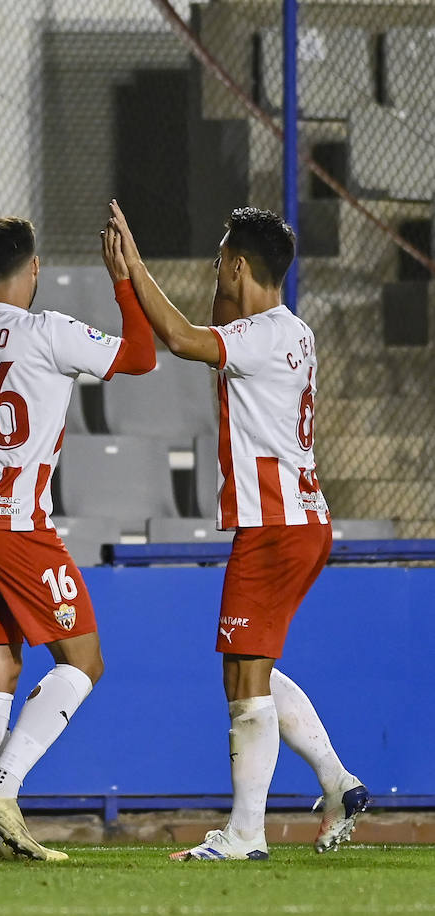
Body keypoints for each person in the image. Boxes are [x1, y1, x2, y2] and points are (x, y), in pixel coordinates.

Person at [106, 201, 369, 861]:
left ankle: (246, 834)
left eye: (222, 258)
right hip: (299, 520)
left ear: (239, 264)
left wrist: (134, 266)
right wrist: (222, 285)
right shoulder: (291, 331)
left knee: (245, 680)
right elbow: (214, 328)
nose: (214, 267)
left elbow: (184, 340)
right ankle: (337, 783)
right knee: (245, 666)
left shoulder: (262, 337)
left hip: (275, 525)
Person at [0, 216, 156, 861]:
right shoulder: (49, 332)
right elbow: (140, 356)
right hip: (17, 525)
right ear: (35, 266)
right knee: (84, 661)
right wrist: (123, 281)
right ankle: (1, 789)